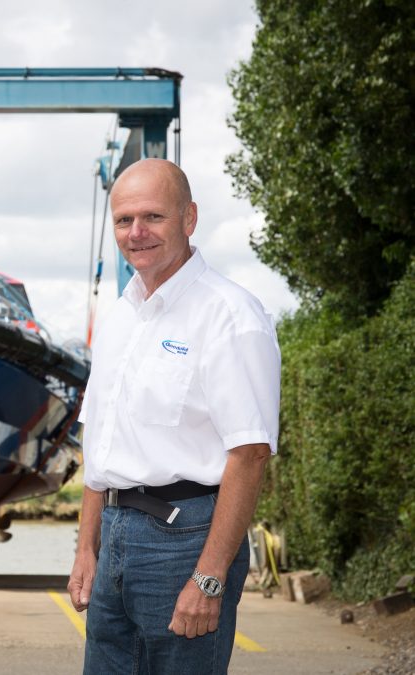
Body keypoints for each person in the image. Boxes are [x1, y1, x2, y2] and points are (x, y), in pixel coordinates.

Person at [67, 159, 280, 674]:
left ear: (189, 218)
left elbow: (249, 454)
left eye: (153, 217)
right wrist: (86, 548)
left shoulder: (230, 315)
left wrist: (208, 578)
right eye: (123, 220)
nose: (136, 232)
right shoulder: (121, 317)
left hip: (184, 544)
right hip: (114, 535)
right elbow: (101, 441)